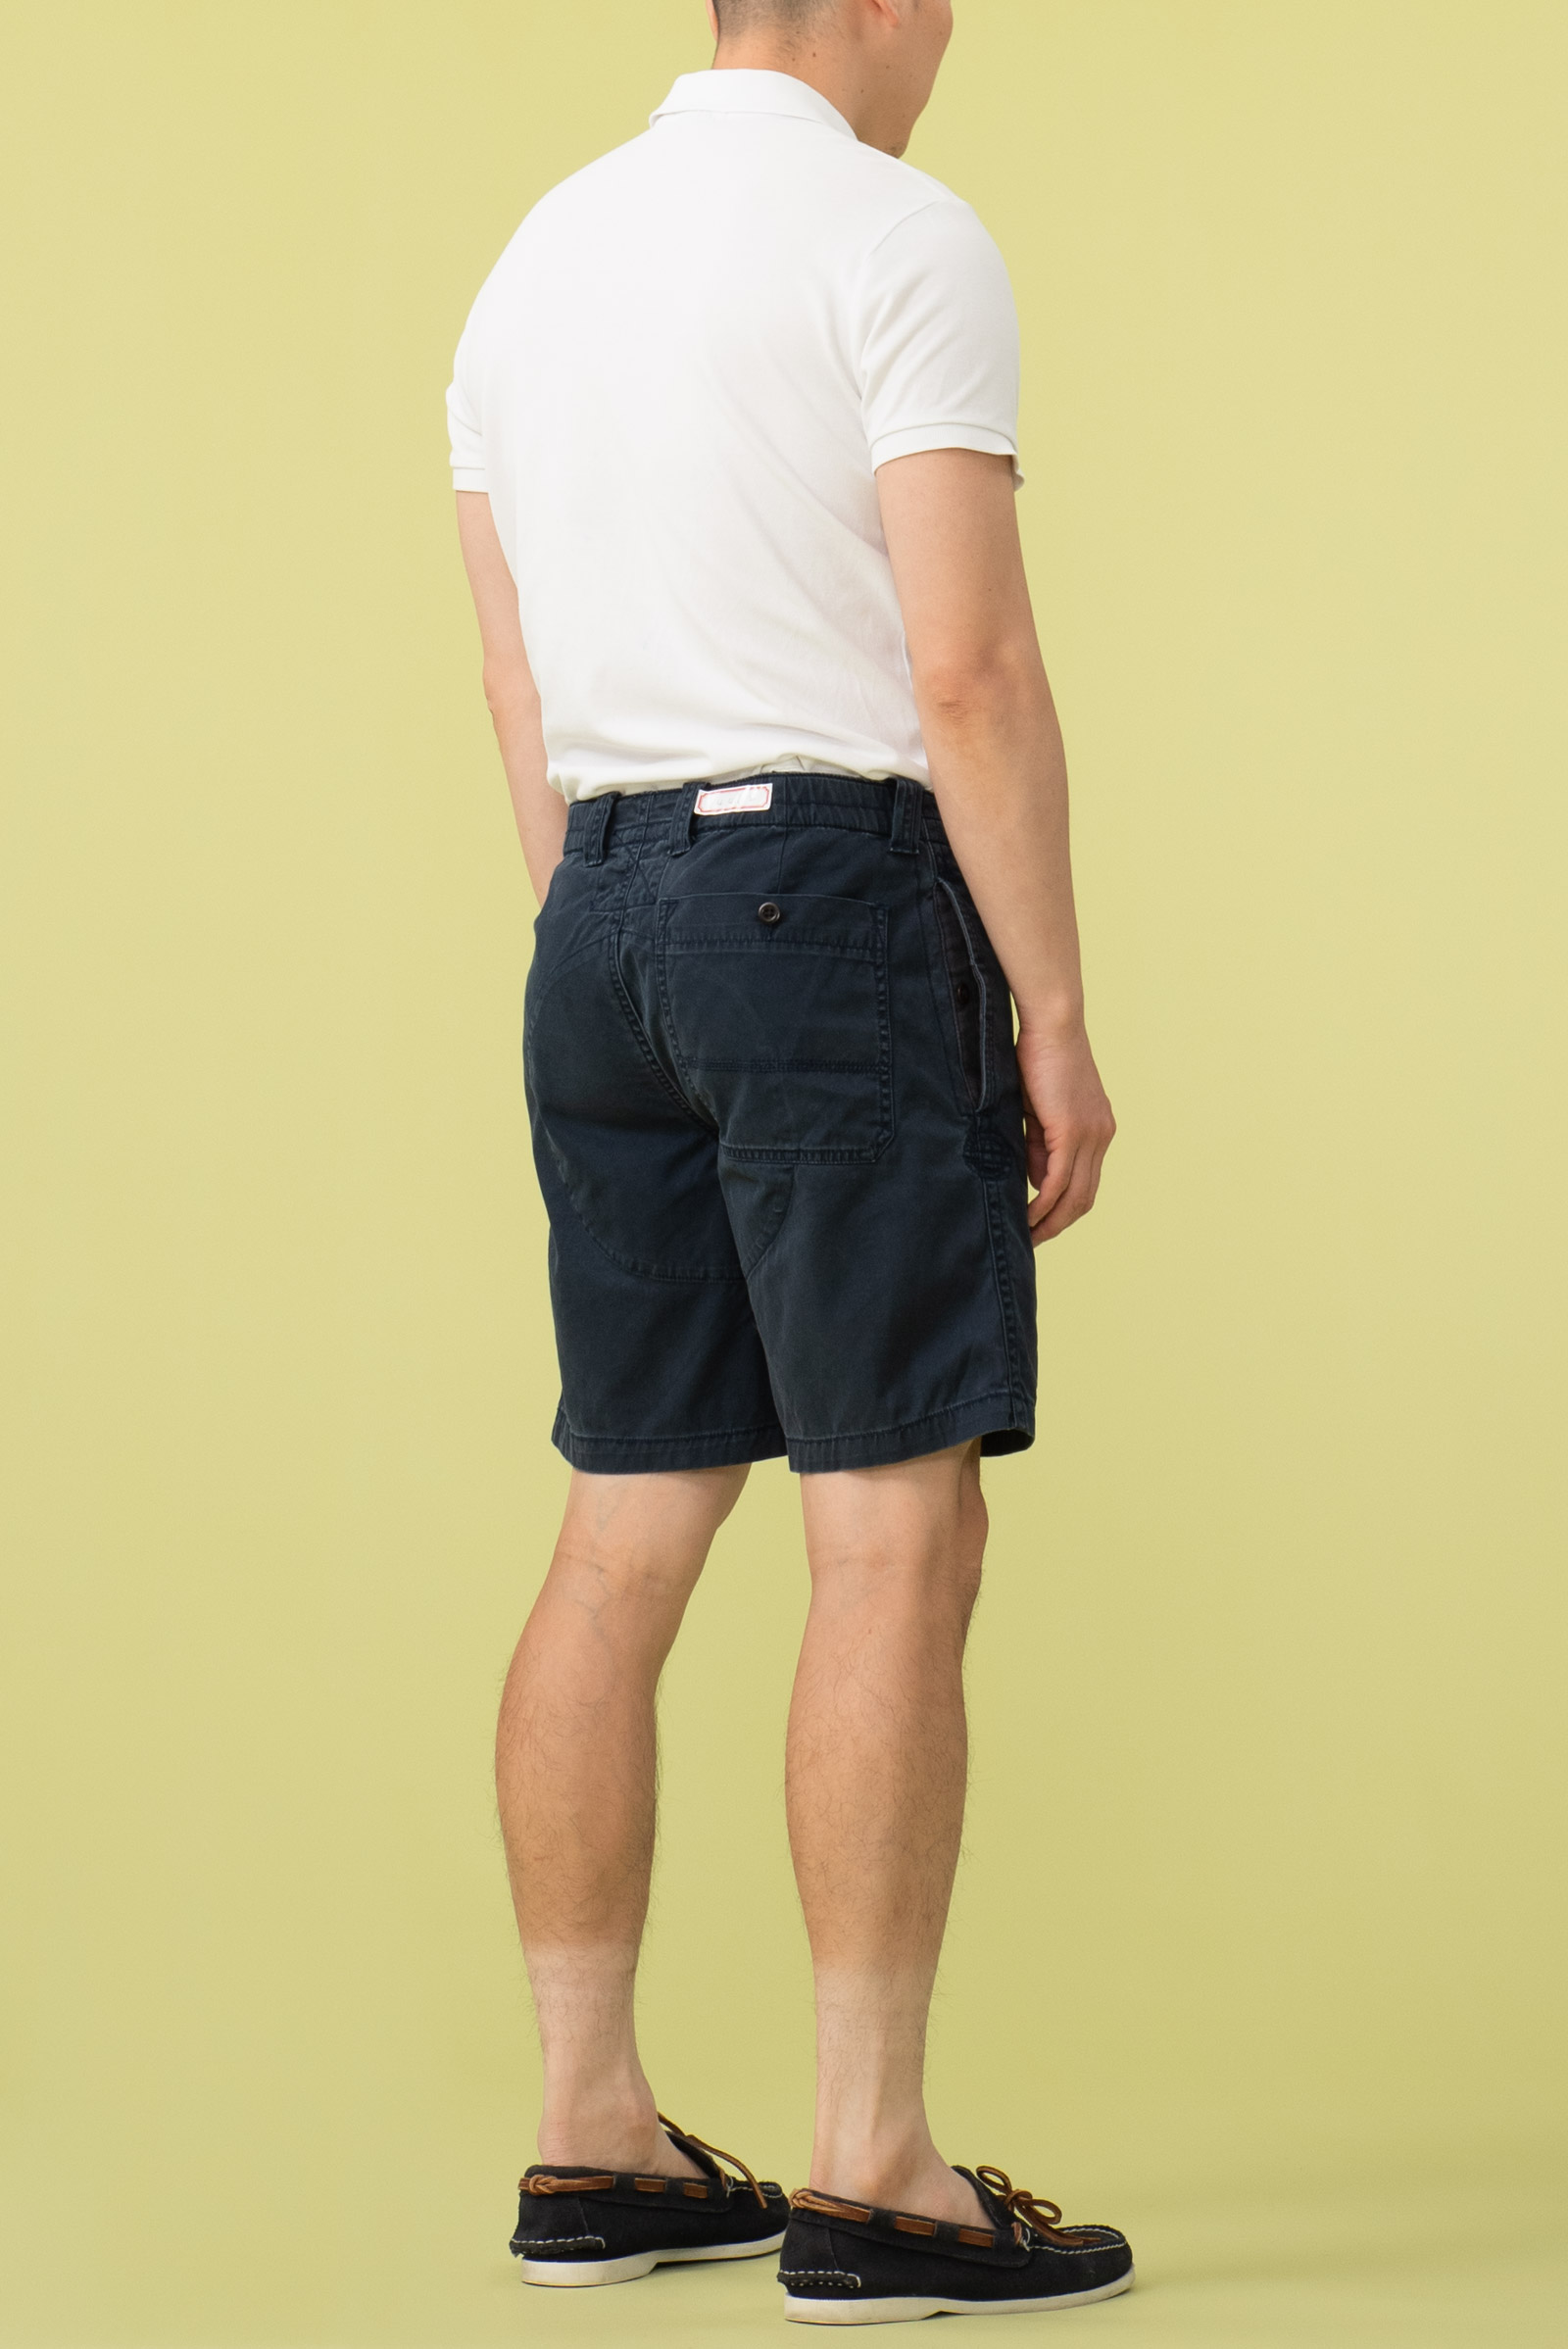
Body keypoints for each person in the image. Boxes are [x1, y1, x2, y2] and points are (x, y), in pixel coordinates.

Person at [448, 0, 1129, 2322]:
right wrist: (1049, 1009)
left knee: (624, 1519)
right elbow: (964, 669)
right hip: (822, 894)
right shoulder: (890, 233)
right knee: (890, 1522)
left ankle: (590, 2133)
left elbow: (517, 685)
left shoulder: (535, 257)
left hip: (597, 902)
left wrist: (616, 938)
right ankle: (869, 2170)